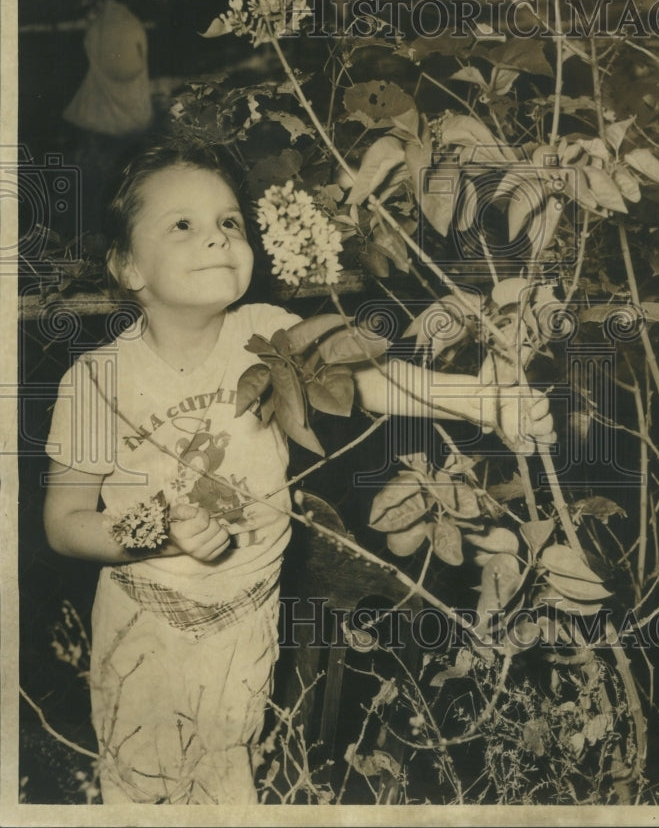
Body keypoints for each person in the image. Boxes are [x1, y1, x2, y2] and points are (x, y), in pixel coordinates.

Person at [44, 138, 555, 805]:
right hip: (148, 632)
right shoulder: (97, 380)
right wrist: (154, 535)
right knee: (146, 793)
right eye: (183, 225)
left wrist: (488, 403)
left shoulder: (265, 333)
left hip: (248, 621)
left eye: (230, 222)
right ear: (128, 266)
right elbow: (63, 523)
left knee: (230, 782)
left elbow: (372, 380)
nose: (217, 240)